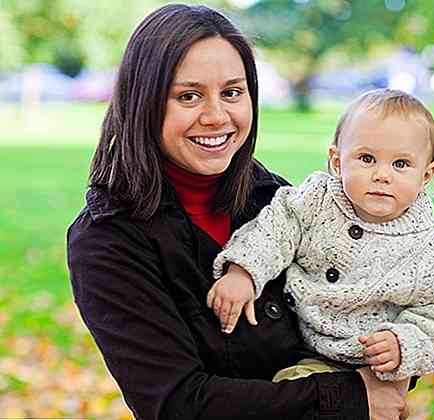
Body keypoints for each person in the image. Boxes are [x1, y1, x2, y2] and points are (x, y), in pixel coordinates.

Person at [66, 4, 409, 420]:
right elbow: (178, 404)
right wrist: (352, 397)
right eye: (188, 96)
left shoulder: (278, 200)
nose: (217, 117)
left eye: (232, 92)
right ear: (145, 103)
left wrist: (401, 348)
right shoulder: (107, 240)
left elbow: (369, 306)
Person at [208, 89, 434, 385]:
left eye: (400, 164)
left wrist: (404, 343)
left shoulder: (433, 255)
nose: (382, 175)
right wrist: (244, 271)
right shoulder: (316, 201)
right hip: (295, 338)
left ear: (426, 174)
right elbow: (275, 228)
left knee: (294, 389)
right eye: (367, 158)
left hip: (368, 365)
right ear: (337, 160)